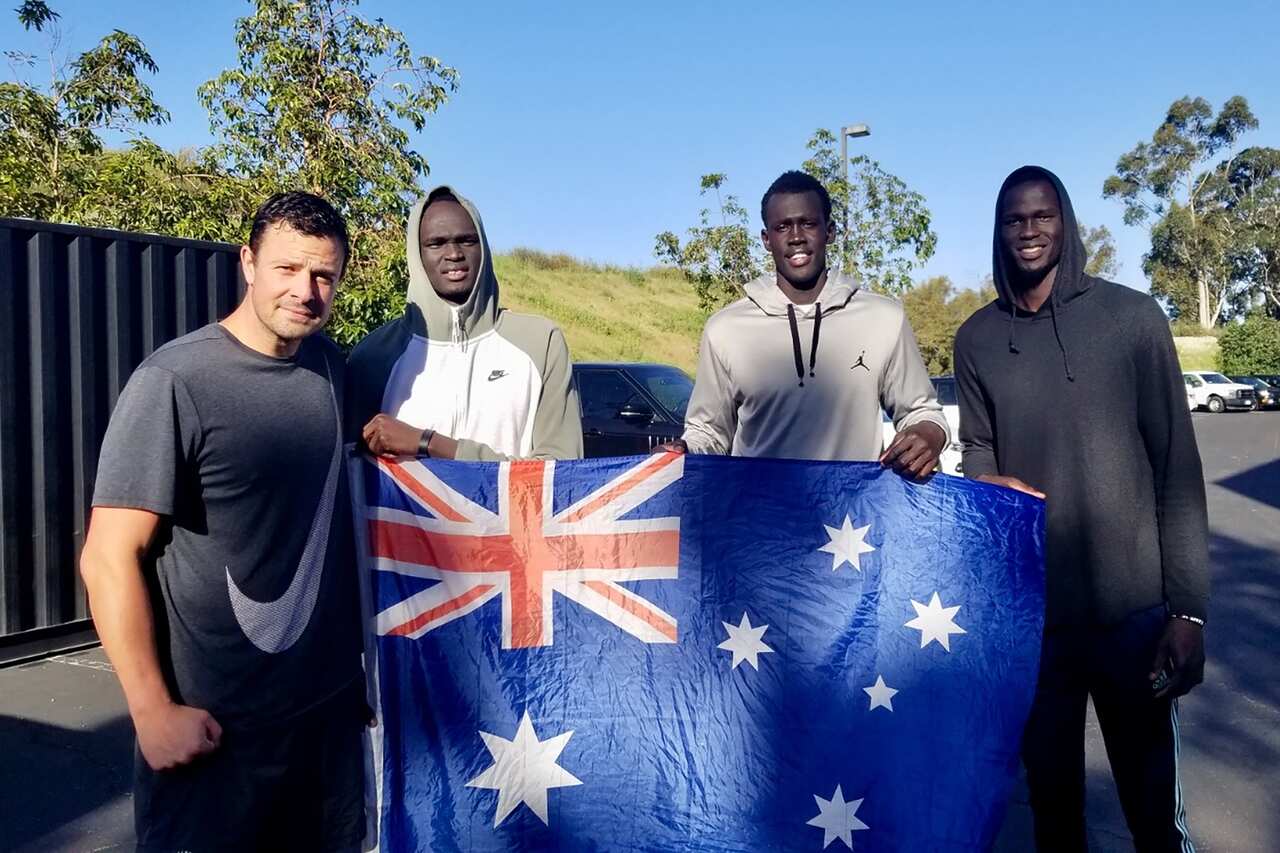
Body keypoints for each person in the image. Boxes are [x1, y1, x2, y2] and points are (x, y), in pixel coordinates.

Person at [80, 192, 366, 852]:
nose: (306, 290)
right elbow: (107, 555)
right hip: (216, 740)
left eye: (324, 274)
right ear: (248, 262)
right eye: (288, 269)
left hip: (323, 741)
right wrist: (153, 712)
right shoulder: (175, 380)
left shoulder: (334, 371)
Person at [954, 165, 1208, 852]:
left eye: (1041, 215)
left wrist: (1187, 610)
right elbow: (976, 445)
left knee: (1153, 812)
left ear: (1065, 220)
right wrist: (986, 478)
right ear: (999, 230)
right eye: (1014, 219)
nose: (1028, 230)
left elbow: (1177, 467)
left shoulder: (1132, 319)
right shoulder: (977, 338)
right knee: (1055, 813)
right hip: (1036, 625)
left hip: (1134, 616)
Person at [673, 170, 948, 474]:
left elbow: (921, 411)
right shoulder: (725, 329)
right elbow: (709, 432)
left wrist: (928, 435)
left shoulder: (884, 317)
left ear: (829, 231)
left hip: (852, 517)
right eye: (782, 227)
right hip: (758, 516)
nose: (796, 237)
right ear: (766, 239)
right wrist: (681, 452)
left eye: (808, 223)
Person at [347, 185, 583, 460]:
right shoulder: (374, 354)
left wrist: (431, 443)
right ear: (416, 253)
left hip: (506, 505)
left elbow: (561, 471)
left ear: (483, 247)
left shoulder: (541, 343)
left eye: (467, 240)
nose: (454, 253)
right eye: (436, 243)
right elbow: (352, 471)